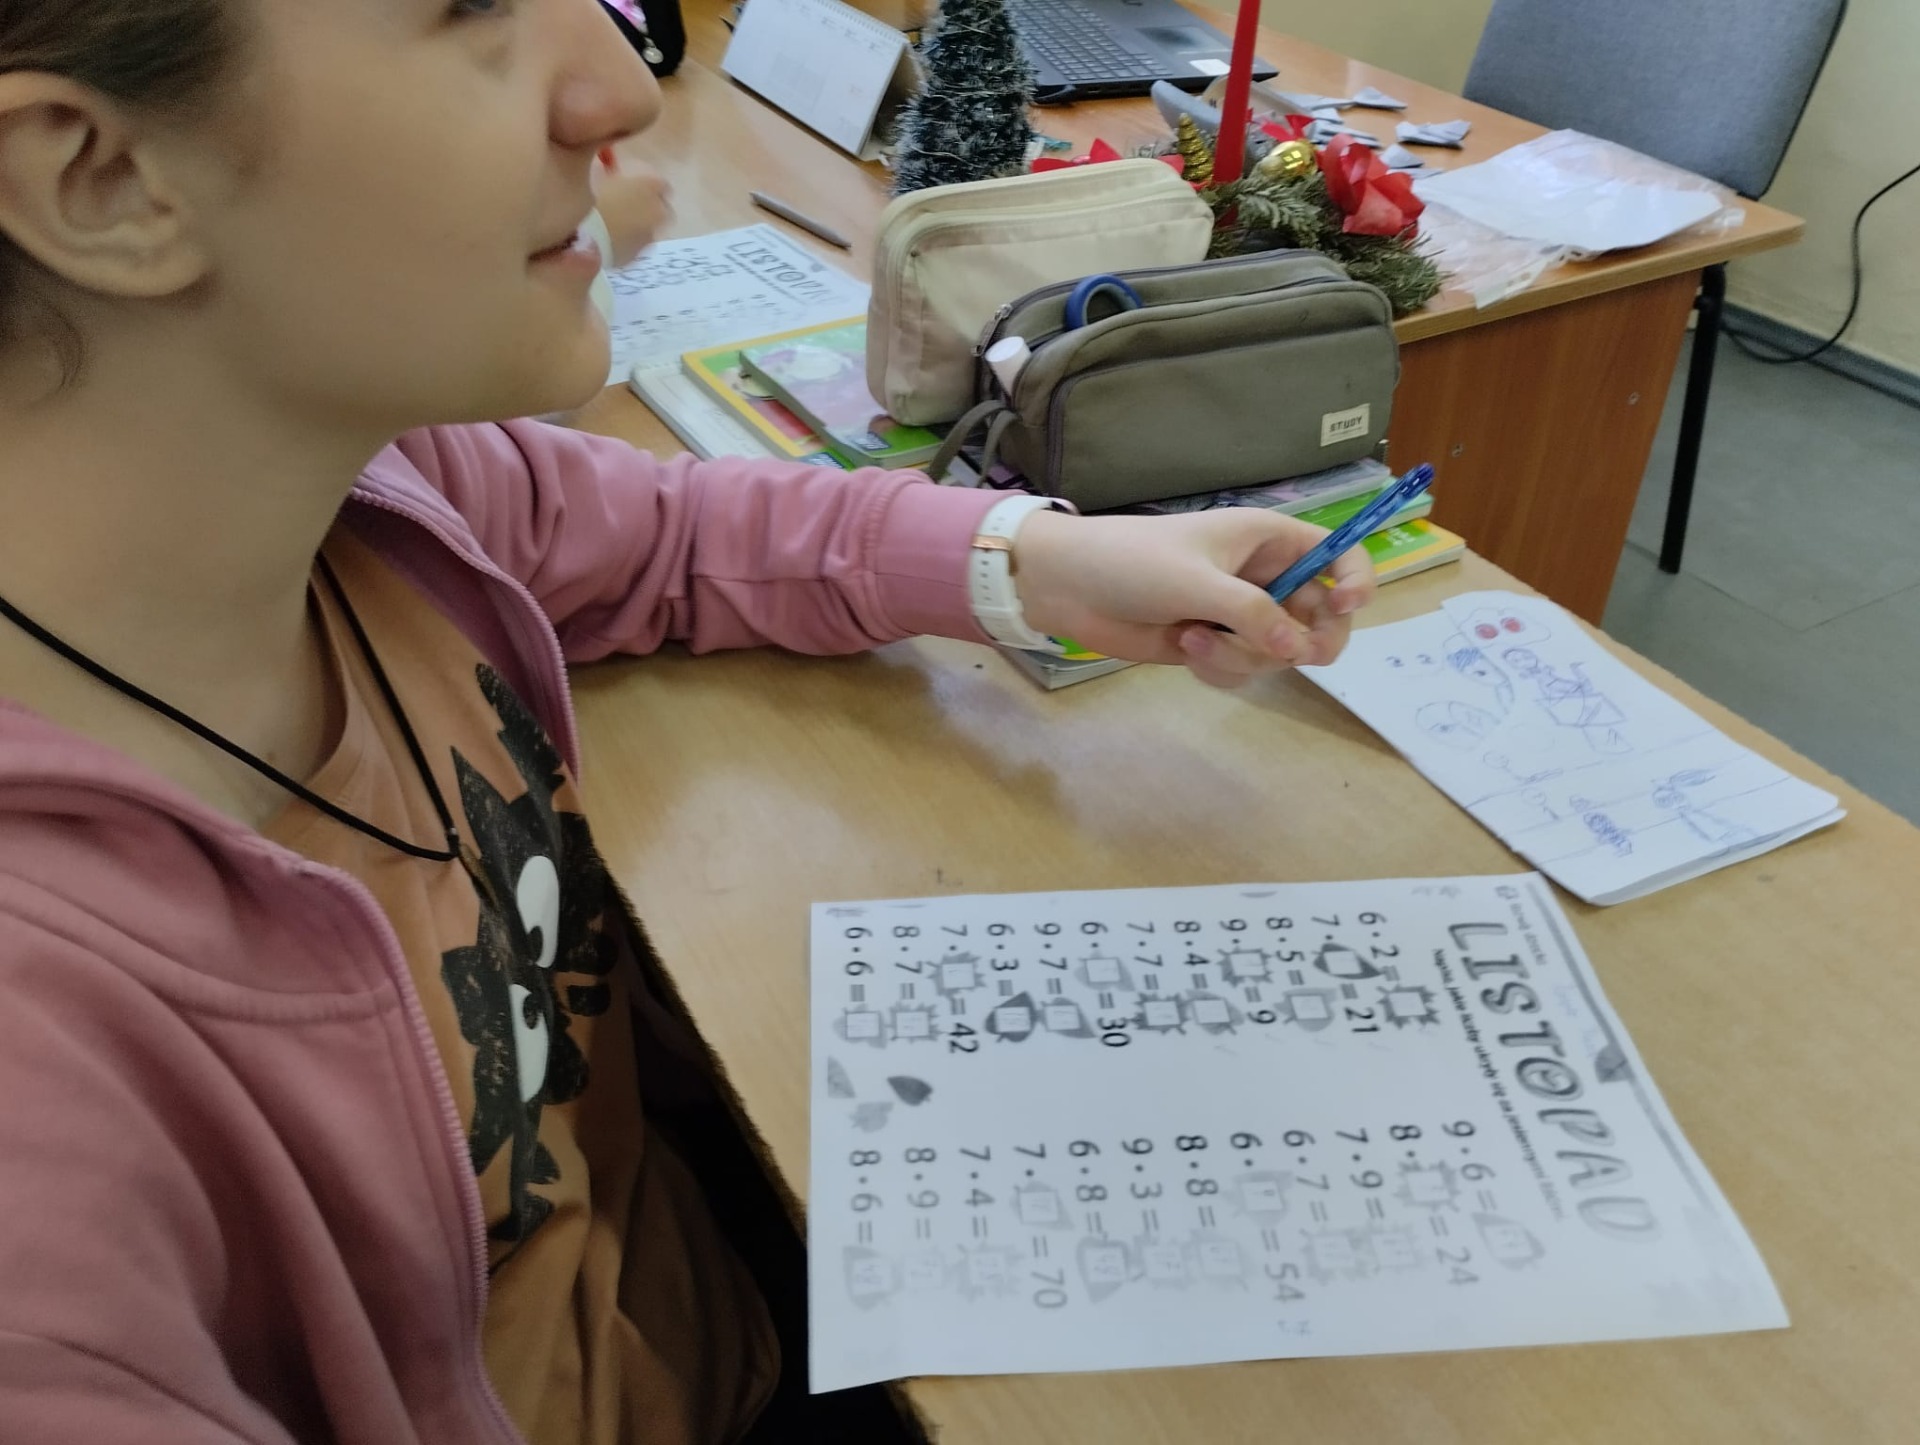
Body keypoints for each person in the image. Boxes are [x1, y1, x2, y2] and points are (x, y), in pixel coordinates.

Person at [0, 2, 1375, 1442]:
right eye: (474, 7)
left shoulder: (373, 488)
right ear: (99, 177)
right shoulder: (49, 1149)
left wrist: (1035, 557)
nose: (619, 90)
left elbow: (668, 530)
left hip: (721, 1283)